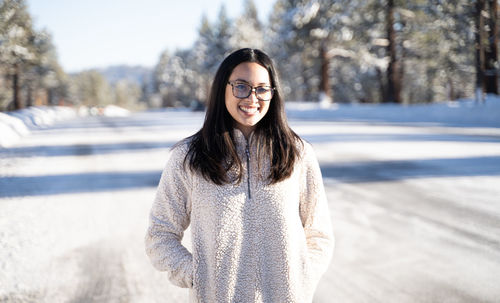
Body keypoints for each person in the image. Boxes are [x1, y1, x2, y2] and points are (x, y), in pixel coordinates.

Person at [145, 48, 334, 303]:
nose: (252, 97)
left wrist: (302, 278)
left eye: (262, 88)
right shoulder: (189, 157)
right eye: (241, 86)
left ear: (273, 94)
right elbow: (160, 235)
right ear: (223, 88)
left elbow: (319, 234)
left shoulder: (298, 154)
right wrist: (197, 276)